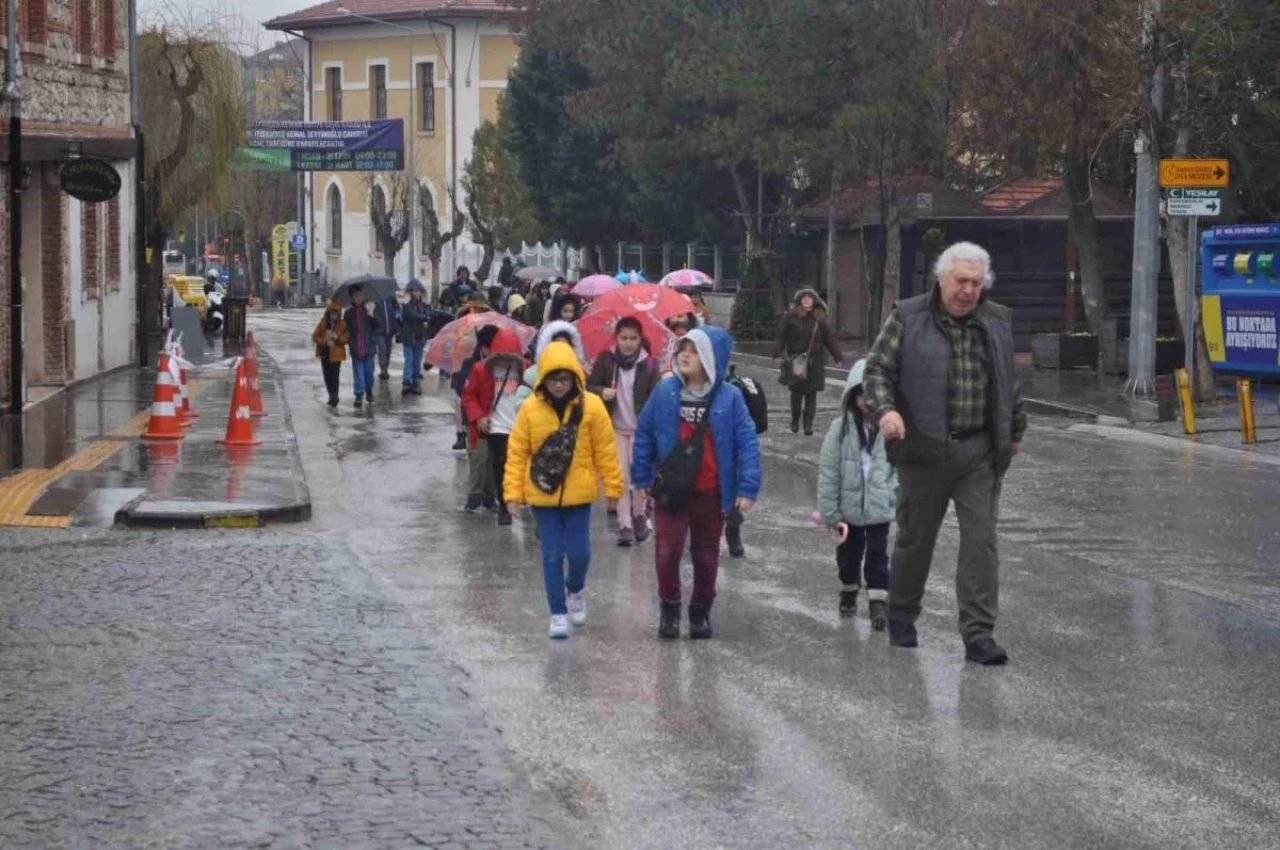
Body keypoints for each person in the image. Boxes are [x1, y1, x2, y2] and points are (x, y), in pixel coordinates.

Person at [863, 241, 1025, 666]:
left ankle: (978, 634)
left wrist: (1016, 428)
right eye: (961, 281)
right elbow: (877, 368)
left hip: (979, 451)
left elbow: (1009, 381)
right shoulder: (909, 316)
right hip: (922, 448)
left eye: (976, 282)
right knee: (916, 540)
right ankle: (901, 616)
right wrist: (886, 411)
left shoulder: (995, 320)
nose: (968, 290)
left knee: (981, 542)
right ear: (942, 279)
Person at [632, 327, 762, 640]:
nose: (685, 355)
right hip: (672, 492)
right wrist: (642, 477)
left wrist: (747, 488)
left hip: (711, 493)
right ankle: (670, 609)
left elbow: (747, 443)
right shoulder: (665, 392)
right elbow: (644, 434)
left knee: (706, 556)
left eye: (693, 349)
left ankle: (701, 612)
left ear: (711, 358)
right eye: (682, 349)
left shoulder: (730, 398)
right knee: (667, 552)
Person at [504, 340, 625, 640]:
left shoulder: (593, 407)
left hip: (580, 494)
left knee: (580, 554)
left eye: (565, 378)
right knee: (552, 556)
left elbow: (606, 451)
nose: (559, 385)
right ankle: (557, 613)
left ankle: (576, 589)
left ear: (574, 377)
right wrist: (512, 494)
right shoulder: (530, 409)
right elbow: (517, 452)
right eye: (553, 379)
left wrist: (613, 487)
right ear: (543, 379)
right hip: (543, 493)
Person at [817, 358, 898, 630]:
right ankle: (849, 587)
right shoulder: (839, 430)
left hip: (878, 506)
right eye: (861, 394)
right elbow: (828, 472)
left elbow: (899, 468)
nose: (867, 401)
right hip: (847, 509)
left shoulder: (889, 430)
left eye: (873, 395)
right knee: (848, 554)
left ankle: (878, 601)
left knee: (878, 554)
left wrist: (892, 495)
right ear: (852, 396)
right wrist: (830, 511)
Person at [587, 316, 661, 547]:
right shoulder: (607, 360)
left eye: (633, 338)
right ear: (616, 338)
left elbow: (657, 398)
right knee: (620, 478)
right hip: (615, 428)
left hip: (641, 431)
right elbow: (588, 387)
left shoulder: (649, 364)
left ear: (640, 339)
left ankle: (639, 514)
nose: (628, 343)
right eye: (623, 338)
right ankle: (625, 525)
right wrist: (602, 391)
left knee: (639, 477)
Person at [462, 328, 529, 527]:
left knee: (517, 466)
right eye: (501, 358)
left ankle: (518, 497)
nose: (505, 364)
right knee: (500, 467)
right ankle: (504, 504)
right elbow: (469, 396)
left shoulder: (526, 370)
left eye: (510, 359)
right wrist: (479, 417)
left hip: (519, 427)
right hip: (496, 426)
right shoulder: (480, 370)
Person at [776, 289, 843, 436]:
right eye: (804, 298)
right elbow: (781, 335)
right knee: (796, 393)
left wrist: (837, 357)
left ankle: (808, 425)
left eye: (809, 298)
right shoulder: (791, 317)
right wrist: (777, 351)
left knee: (811, 395)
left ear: (814, 301)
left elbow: (829, 339)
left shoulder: (819, 318)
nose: (806, 300)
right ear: (799, 300)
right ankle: (795, 420)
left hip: (814, 363)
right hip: (796, 361)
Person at [454, 324, 502, 511]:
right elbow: (463, 391)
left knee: (493, 459)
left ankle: (490, 496)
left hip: (496, 420)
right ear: (483, 348)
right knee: (478, 457)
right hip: (475, 421)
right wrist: (478, 416)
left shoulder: (502, 367)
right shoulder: (470, 364)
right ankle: (474, 495)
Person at [514, 320, 587, 412]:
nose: (561, 348)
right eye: (556, 344)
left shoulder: (578, 374)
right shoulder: (532, 374)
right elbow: (519, 404)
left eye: (566, 345)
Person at [342, 283, 378, 408]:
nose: (358, 298)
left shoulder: (369, 309)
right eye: (356, 296)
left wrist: (372, 315)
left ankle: (369, 390)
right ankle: (358, 395)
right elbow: (344, 329)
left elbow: (378, 326)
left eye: (360, 295)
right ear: (352, 298)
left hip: (369, 348)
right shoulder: (349, 313)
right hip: (356, 348)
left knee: (369, 372)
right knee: (358, 373)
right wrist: (347, 340)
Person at [310, 300, 349, 408]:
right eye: (332, 313)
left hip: (336, 355)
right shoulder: (323, 323)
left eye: (336, 314)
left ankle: (334, 396)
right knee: (327, 376)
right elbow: (315, 336)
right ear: (328, 313)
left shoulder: (342, 324)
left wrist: (337, 338)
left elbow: (346, 339)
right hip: (324, 353)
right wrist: (324, 341)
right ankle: (331, 395)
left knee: (334, 376)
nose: (334, 316)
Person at [399, 279, 432, 395]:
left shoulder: (424, 305)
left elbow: (429, 314)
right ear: (411, 292)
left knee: (417, 360)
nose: (417, 293)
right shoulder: (406, 305)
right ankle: (407, 382)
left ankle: (415, 381)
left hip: (420, 337)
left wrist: (425, 316)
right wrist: (424, 317)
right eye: (415, 291)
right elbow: (412, 315)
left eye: (419, 291)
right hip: (409, 337)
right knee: (409, 359)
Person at [372, 290, 401, 381]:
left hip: (390, 330)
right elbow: (372, 312)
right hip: (379, 330)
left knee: (388, 350)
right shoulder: (375, 298)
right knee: (382, 350)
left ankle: (385, 368)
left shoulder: (391, 297)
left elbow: (397, 309)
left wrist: (397, 316)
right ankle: (383, 369)